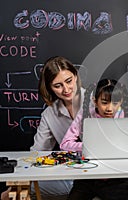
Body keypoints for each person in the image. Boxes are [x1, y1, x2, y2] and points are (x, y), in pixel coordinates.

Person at [60, 78, 128, 200]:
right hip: (87, 176)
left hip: (116, 177)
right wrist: (88, 146)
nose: (110, 108)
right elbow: (65, 144)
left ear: (121, 102)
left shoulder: (124, 116)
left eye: (115, 103)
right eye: (104, 102)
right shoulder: (85, 114)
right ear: (95, 101)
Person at [30, 56, 85, 200]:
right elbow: (38, 151)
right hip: (71, 174)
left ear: (76, 77)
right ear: (49, 87)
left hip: (102, 173)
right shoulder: (49, 114)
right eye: (57, 85)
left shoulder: (96, 100)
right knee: (28, 185)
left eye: (69, 81)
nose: (66, 89)